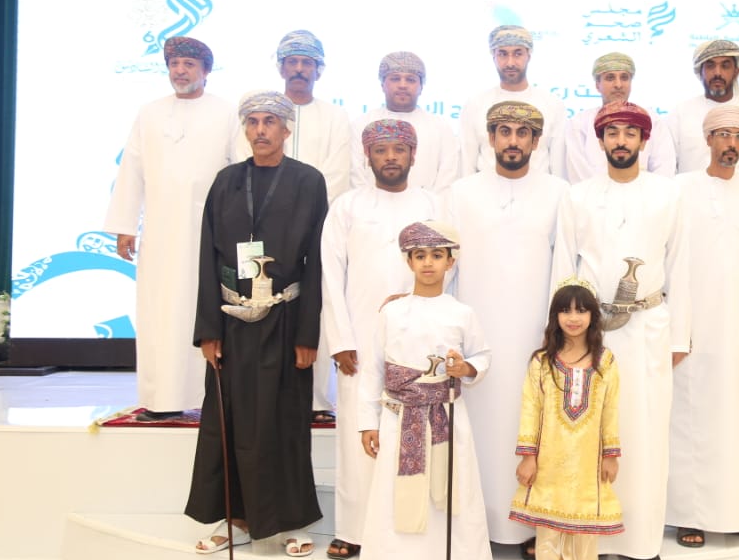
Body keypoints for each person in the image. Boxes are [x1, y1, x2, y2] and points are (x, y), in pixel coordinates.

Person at [186, 91, 328, 557]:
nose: (261, 130)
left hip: (285, 319)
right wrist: (208, 329)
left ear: (287, 129)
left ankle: (291, 521)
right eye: (253, 122)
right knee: (229, 421)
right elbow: (208, 255)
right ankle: (236, 518)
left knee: (284, 421)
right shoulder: (227, 181)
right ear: (245, 129)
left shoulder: (308, 181)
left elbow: (316, 262)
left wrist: (308, 334)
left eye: (270, 121)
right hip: (232, 322)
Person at [550, 100, 690, 560]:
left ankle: (642, 541)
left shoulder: (668, 194)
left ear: (644, 141)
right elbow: (563, 266)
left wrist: (679, 338)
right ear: (601, 140)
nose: (621, 141)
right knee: (590, 433)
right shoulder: (578, 196)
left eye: (630, 133)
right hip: (591, 333)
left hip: (649, 328)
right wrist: (562, 335)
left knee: (645, 434)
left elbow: (680, 267)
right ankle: (593, 536)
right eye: (612, 133)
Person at [354, 220, 493, 560]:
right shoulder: (392, 312)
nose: (428, 263)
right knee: (401, 509)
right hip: (399, 422)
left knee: (441, 507)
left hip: (446, 420)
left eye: (436, 255)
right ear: (408, 261)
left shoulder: (461, 313)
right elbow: (373, 368)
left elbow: (482, 356)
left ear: (450, 261)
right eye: (419, 256)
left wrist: (465, 367)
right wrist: (367, 422)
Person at [442, 100, 567, 558]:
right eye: (504, 132)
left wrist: (557, 332)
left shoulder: (558, 192)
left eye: (522, 133)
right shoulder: (461, 193)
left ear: (536, 141)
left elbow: (564, 263)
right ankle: (475, 528)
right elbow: (447, 265)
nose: (513, 141)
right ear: (490, 138)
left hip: (535, 335)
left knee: (532, 425)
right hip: (476, 337)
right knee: (478, 430)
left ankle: (532, 526)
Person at [666, 104, 739, 548]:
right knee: (690, 419)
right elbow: (670, 261)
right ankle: (689, 515)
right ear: (708, 140)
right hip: (693, 326)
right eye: (723, 135)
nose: (731, 144)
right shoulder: (680, 189)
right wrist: (676, 330)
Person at [320, 119, 438, 560]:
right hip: (359, 339)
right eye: (381, 149)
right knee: (358, 430)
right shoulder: (347, 206)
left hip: (418, 338)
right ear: (367, 156)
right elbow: (330, 273)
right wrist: (339, 339)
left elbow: (449, 267)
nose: (390, 157)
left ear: (413, 155)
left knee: (412, 434)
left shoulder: (431, 204)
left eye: (399, 149)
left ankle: (407, 526)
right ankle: (353, 529)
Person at [105, 36, 234, 421]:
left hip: (209, 232)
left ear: (205, 70)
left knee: (204, 309)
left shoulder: (227, 112)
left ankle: (210, 397)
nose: (180, 71)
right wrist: (125, 225)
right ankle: (162, 399)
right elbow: (132, 169)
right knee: (160, 312)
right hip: (160, 232)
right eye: (174, 64)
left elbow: (237, 170)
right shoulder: (149, 113)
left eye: (188, 64)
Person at [235, 30, 352, 421]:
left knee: (315, 306)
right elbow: (244, 166)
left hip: (315, 230)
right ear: (281, 67)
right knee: (254, 304)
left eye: (307, 63)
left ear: (319, 69)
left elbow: (336, 173)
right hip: (257, 233)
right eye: (292, 62)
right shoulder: (259, 114)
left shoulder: (335, 117)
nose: (299, 69)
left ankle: (316, 400)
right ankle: (260, 395)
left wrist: (301, 218)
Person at [510, 280, 622, 560]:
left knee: (585, 534)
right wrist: (528, 456)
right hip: (549, 464)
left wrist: (611, 453)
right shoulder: (542, 363)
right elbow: (530, 410)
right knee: (549, 534)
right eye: (565, 310)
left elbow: (610, 411)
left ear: (593, 316)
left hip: (588, 465)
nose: (573, 317)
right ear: (554, 316)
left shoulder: (606, 362)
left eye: (581, 310)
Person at [666, 39, 739, 185]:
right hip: (690, 198)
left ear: (736, 72)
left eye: (725, 66)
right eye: (710, 66)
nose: (717, 73)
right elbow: (666, 172)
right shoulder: (681, 114)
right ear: (701, 72)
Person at [458, 25, 567, 177]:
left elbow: (559, 167)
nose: (510, 62)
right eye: (503, 54)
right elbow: (466, 165)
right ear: (494, 57)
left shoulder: (552, 105)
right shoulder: (475, 104)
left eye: (517, 54)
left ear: (528, 56)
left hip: (539, 190)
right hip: (486, 190)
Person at [349, 51, 459, 194]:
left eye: (410, 80)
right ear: (382, 84)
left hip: (429, 207)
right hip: (371, 206)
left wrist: (430, 206)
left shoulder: (440, 127)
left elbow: (447, 177)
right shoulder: (362, 124)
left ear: (421, 86)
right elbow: (356, 175)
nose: (402, 85)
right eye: (395, 79)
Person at [564, 52, 676, 182]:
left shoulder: (652, 120)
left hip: (645, 194)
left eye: (624, 78)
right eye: (610, 78)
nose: (618, 85)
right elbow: (578, 174)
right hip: (593, 194)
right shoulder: (579, 123)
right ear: (597, 85)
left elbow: (664, 170)